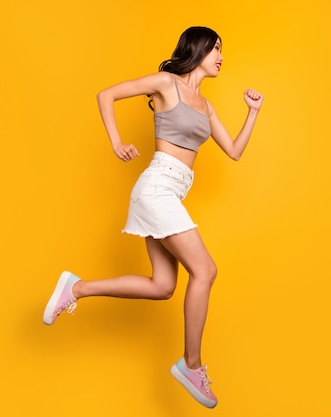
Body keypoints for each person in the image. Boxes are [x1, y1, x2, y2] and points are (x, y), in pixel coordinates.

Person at [42, 26, 263, 408]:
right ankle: (191, 365)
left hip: (172, 192)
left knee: (163, 286)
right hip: (158, 187)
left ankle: (75, 288)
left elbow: (235, 151)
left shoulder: (206, 106)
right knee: (205, 271)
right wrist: (116, 142)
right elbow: (106, 94)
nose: (222, 57)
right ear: (198, 49)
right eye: (216, 49)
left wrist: (252, 113)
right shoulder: (166, 83)